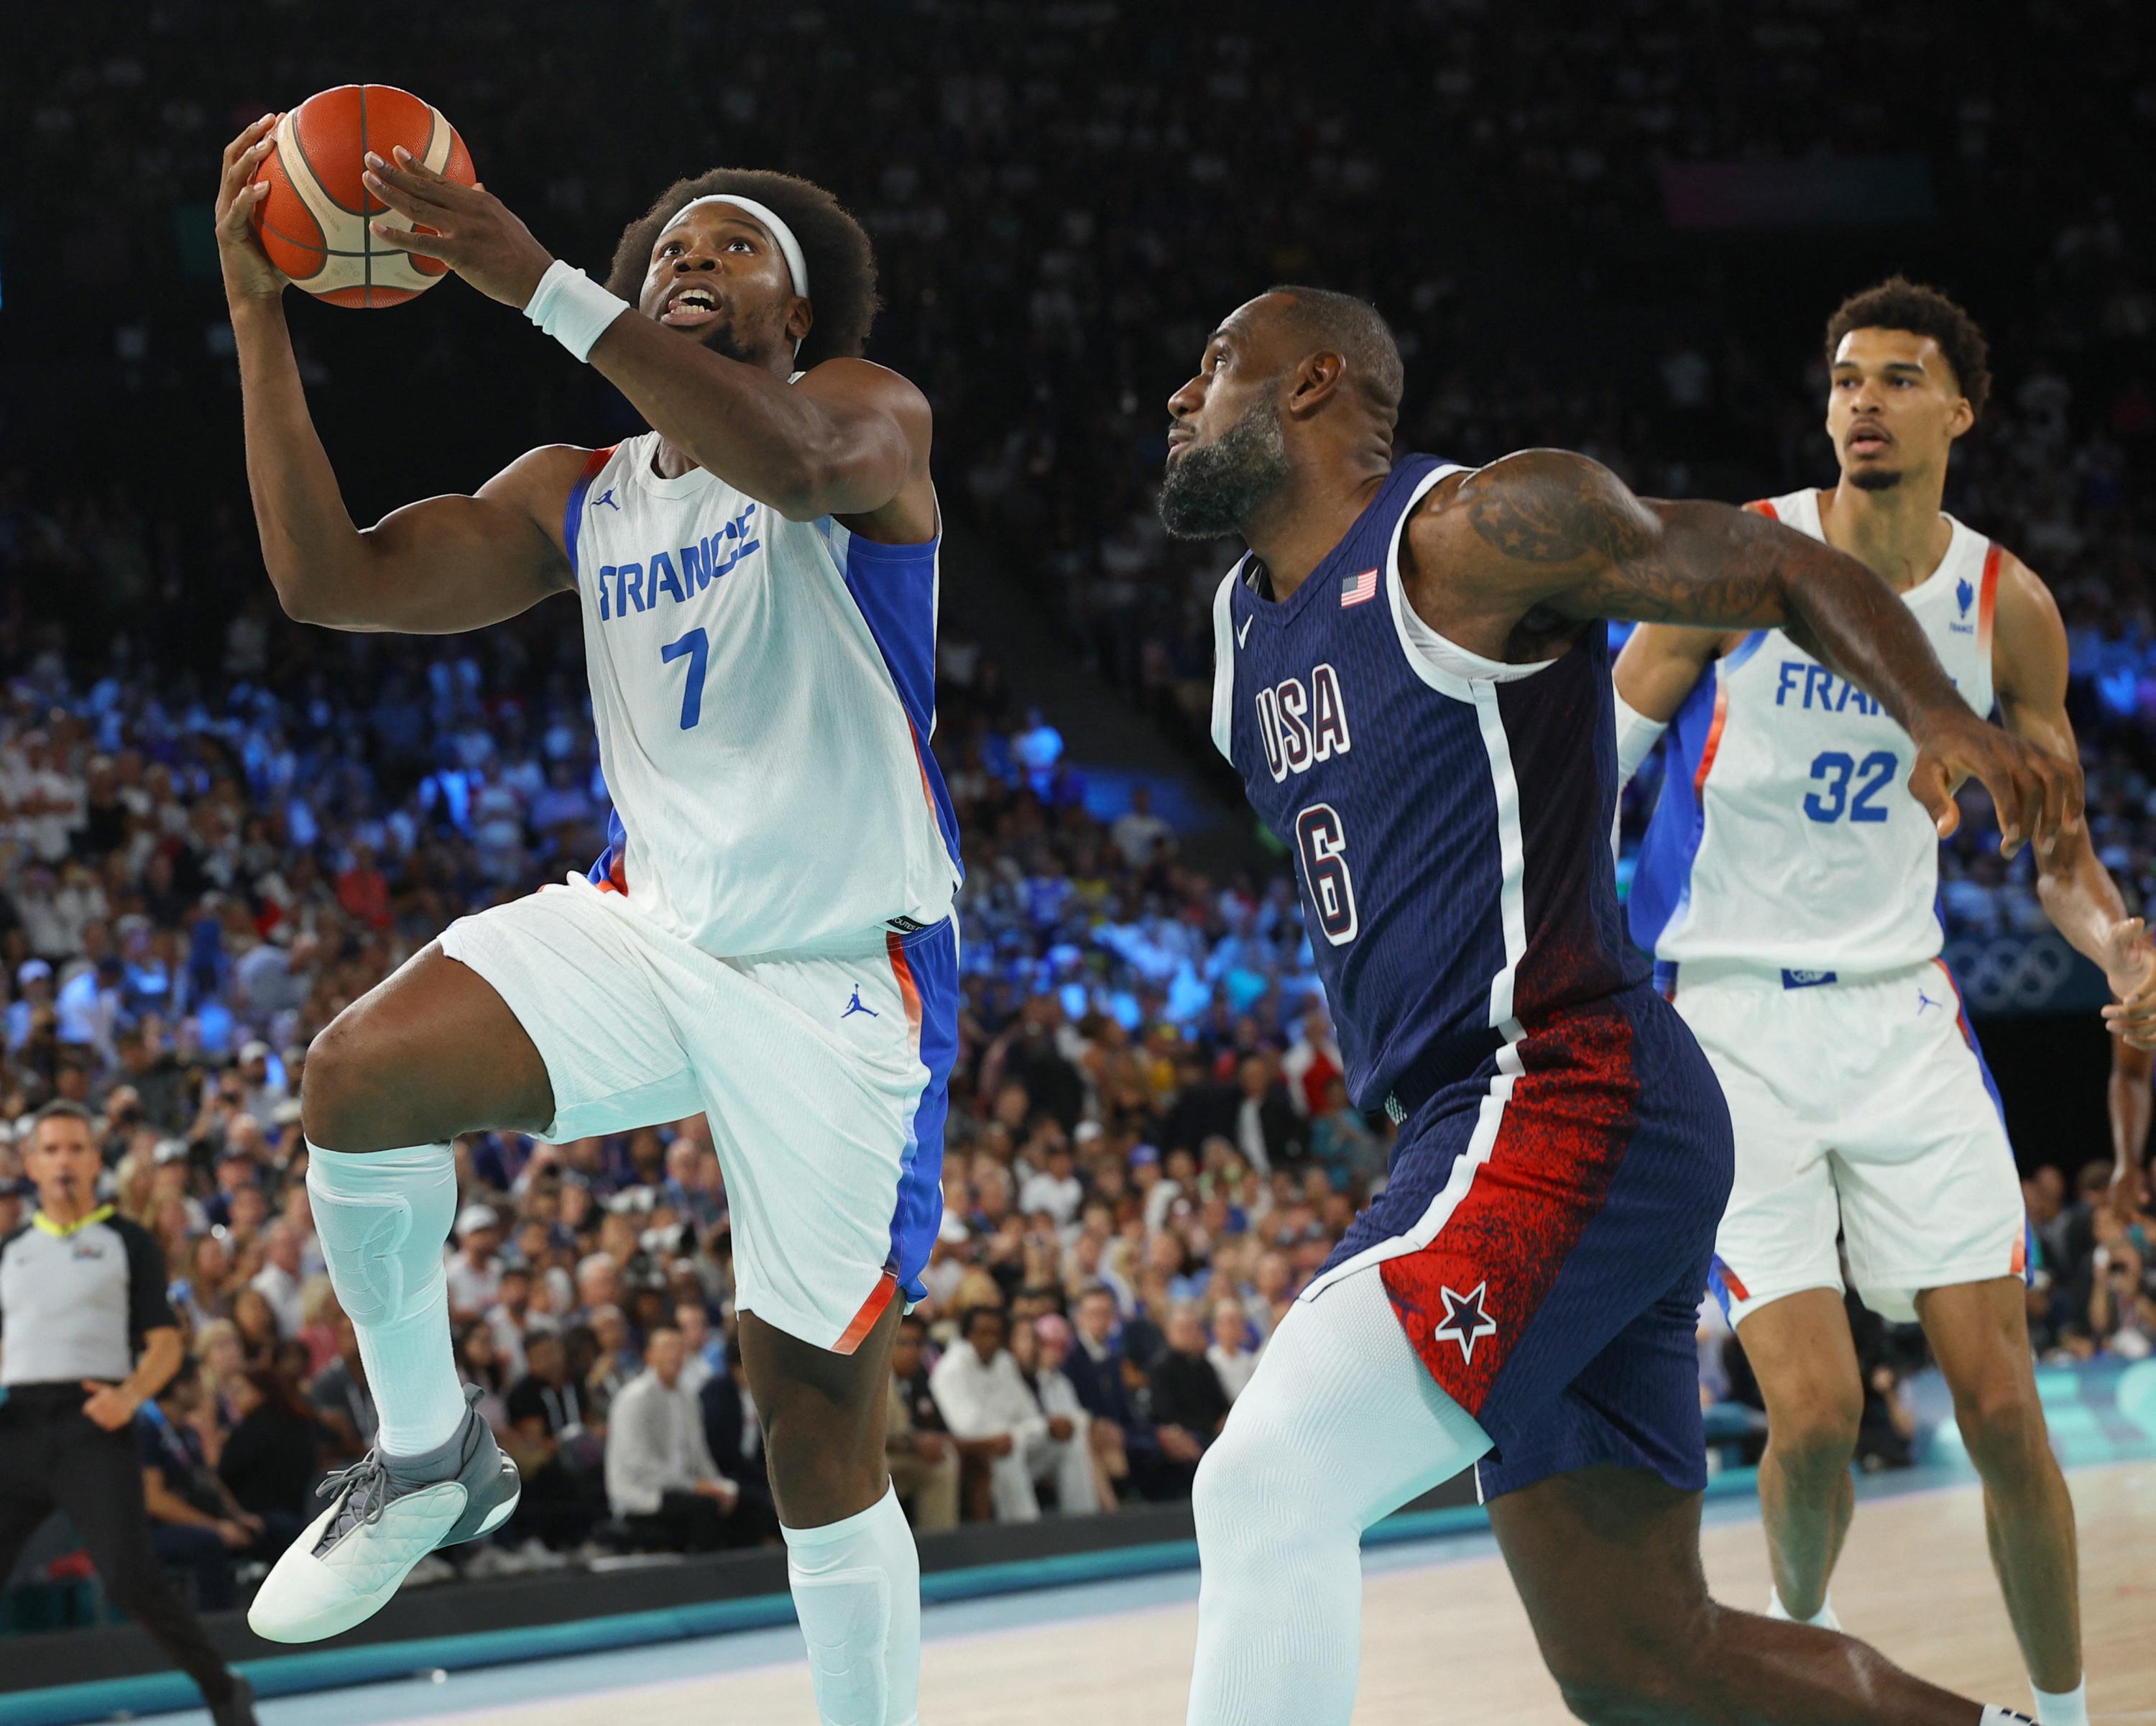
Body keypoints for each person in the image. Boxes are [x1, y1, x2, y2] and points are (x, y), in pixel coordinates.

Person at [1164, 286, 2072, 1725]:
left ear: (1316, 385)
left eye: (1214, 367)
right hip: (1487, 1122)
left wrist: (1937, 711)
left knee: (1265, 1482)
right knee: (1645, 1665)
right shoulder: (1241, 633)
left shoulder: (1474, 531)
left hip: (1562, 1085)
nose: (1179, 398)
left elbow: (1770, 563)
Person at [215, 113, 960, 1720]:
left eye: (732, 246)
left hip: (839, 969)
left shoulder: (862, 416)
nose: (695, 256)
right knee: (358, 1073)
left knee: (813, 1419)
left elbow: (805, 466)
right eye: (674, 244)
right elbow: (331, 582)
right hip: (650, 929)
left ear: (797, 317)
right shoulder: (580, 492)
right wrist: (260, 312)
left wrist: (541, 280)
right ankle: (428, 1457)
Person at [1614, 280, 2151, 1726]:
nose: (1862, 400)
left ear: (1962, 412)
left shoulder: (2007, 606)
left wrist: (2123, 947)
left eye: (1899, 378)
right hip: (1729, 1021)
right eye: (1846, 378)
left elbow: (2063, 860)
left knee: (2002, 1404)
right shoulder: (1743, 557)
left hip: (1905, 1016)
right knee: (1820, 1414)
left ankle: (2071, 1715)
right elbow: (1602, 741)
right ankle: (1807, 1659)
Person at [0, 1103, 257, 1725]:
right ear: (31, 1164)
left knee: (129, 1576)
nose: (64, 1160)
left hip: (95, 1419)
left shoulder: (126, 1240)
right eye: (51, 1149)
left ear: (94, 1160)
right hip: (17, 1426)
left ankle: (223, 1687)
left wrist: (128, 1396)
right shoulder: (11, 1249)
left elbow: (165, 1343)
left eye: (75, 1148)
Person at [929, 1306, 1097, 1522]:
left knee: (1069, 1442)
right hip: (980, 1451)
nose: (990, 1340)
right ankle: (1025, 1535)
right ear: (967, 1334)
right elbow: (969, 1429)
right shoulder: (950, 1370)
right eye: (982, 1333)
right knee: (1005, 1449)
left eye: (995, 1334)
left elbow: (1028, 1413)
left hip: (1019, 1441)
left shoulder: (1004, 1362)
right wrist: (1033, 1429)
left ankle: (1082, 1524)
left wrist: (1047, 1427)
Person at [605, 1326, 750, 1551]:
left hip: (684, 1490)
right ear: (649, 1355)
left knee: (746, 1502)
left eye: (678, 1348)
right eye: (666, 1348)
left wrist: (718, 1485)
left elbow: (700, 1455)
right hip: (644, 1494)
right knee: (705, 1510)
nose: (674, 1355)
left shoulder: (688, 1398)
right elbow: (639, 1465)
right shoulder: (633, 1399)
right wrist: (696, 1486)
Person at [883, 1315, 959, 1533]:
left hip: (900, 1456)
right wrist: (915, 1444)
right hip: (865, 1461)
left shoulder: (919, 1379)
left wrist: (929, 1443)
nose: (912, 1351)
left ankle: (938, 1543)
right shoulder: (872, 1376)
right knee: (879, 1470)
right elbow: (862, 1438)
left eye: (918, 1344)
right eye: (904, 1343)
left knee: (942, 1463)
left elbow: (940, 1428)